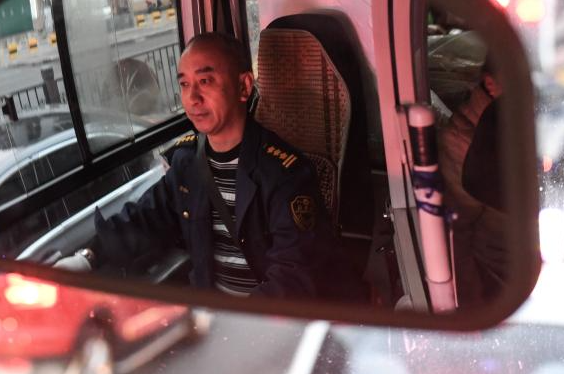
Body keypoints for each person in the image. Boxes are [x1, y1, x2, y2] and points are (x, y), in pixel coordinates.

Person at [57, 32, 353, 299]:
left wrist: (233, 326)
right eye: (184, 84)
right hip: (211, 312)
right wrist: (88, 257)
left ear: (243, 86)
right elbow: (144, 218)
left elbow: (293, 276)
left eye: (205, 81)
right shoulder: (187, 162)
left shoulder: (285, 173)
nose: (192, 98)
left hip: (266, 320)